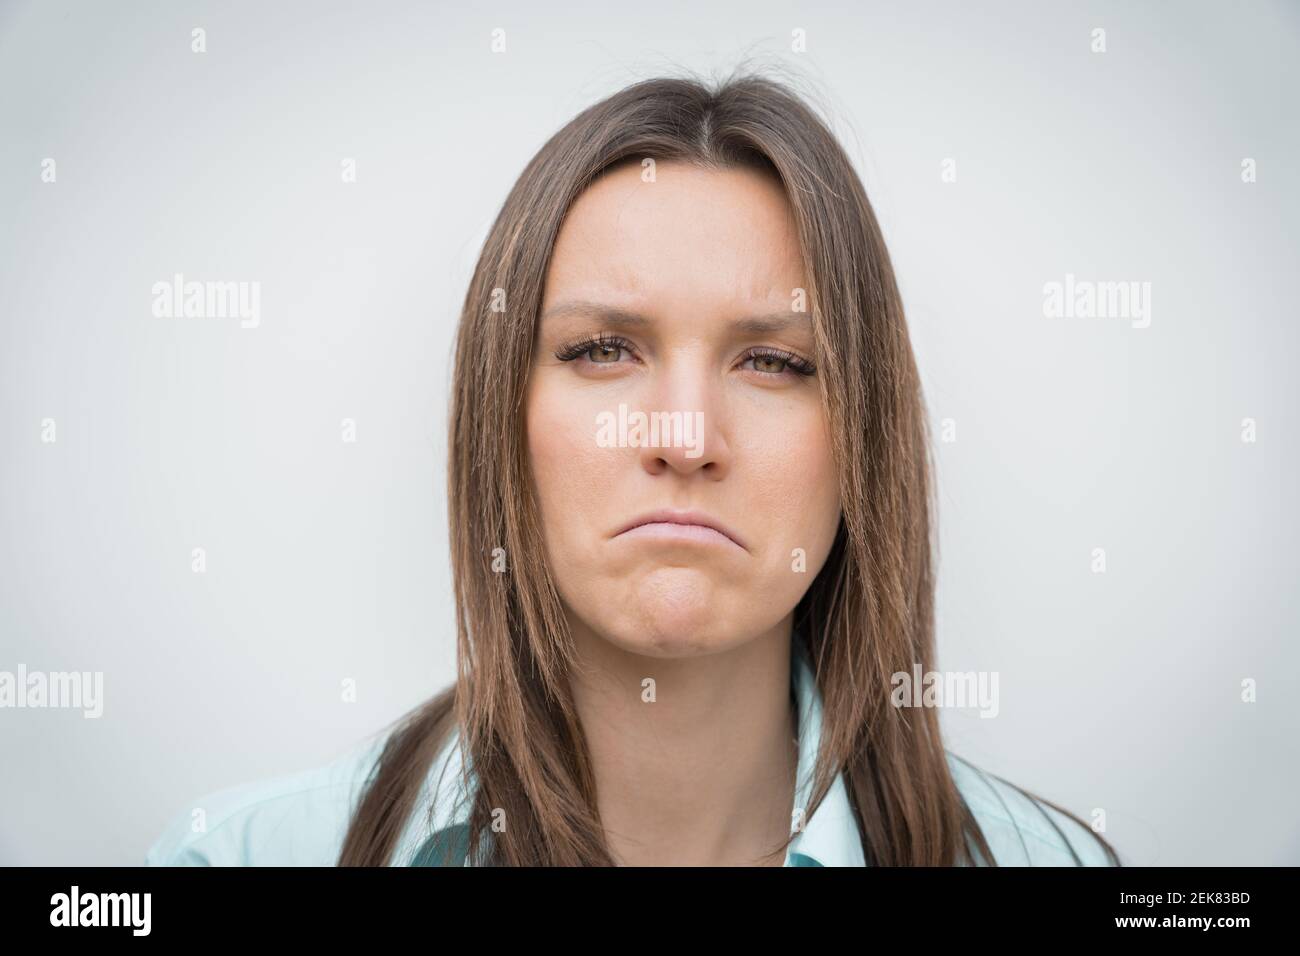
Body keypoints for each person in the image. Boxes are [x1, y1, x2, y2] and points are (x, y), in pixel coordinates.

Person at [147, 72, 1120, 867]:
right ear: (500, 418)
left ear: (865, 438)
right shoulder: (236, 858)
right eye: (603, 349)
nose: (684, 435)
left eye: (775, 361)